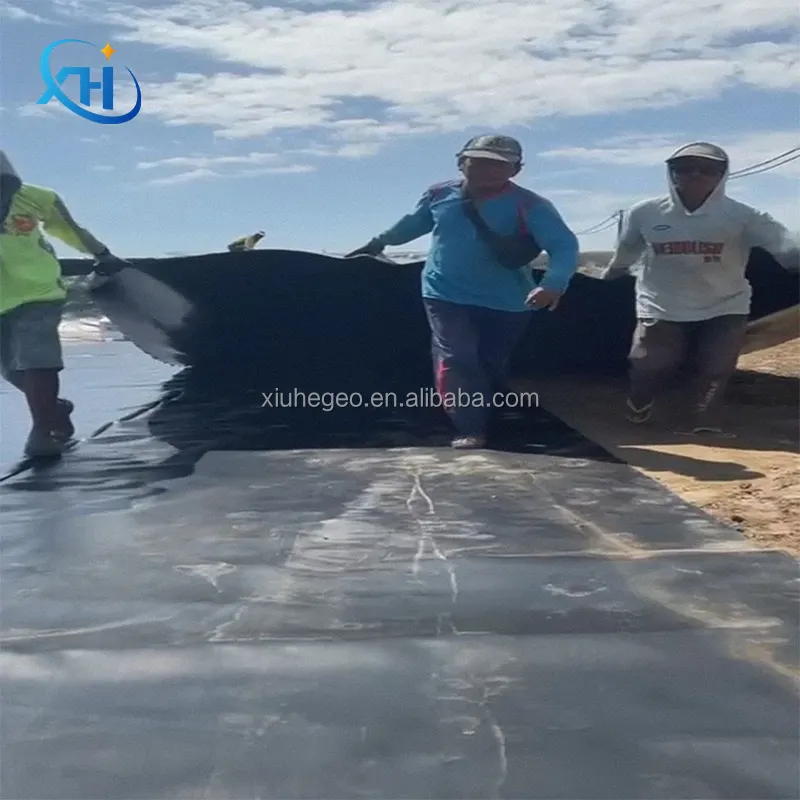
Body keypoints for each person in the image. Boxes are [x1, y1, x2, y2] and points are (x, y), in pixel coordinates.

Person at [345, 134, 580, 448]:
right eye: (479, 161)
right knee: (458, 357)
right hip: (445, 293)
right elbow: (412, 224)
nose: (487, 170)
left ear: (517, 169)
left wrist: (552, 285)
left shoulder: (531, 205)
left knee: (491, 363)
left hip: (510, 300)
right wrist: (377, 243)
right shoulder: (439, 194)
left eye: (499, 164)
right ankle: (470, 427)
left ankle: (487, 411)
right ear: (460, 162)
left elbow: (564, 245)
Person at [600, 141, 799, 434]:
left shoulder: (743, 216)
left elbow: (787, 249)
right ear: (671, 173)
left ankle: (704, 420)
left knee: (716, 367)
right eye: (683, 168)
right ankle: (639, 403)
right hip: (661, 302)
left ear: (722, 174)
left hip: (725, 303)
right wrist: (606, 280)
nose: (695, 175)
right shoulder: (645, 213)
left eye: (707, 169)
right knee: (650, 364)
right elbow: (625, 253)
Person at [0, 152, 125, 457]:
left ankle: (44, 430)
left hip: (37, 292)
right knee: (10, 368)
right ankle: (55, 408)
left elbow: (69, 229)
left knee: (37, 360)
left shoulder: (37, 198)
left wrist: (101, 253)